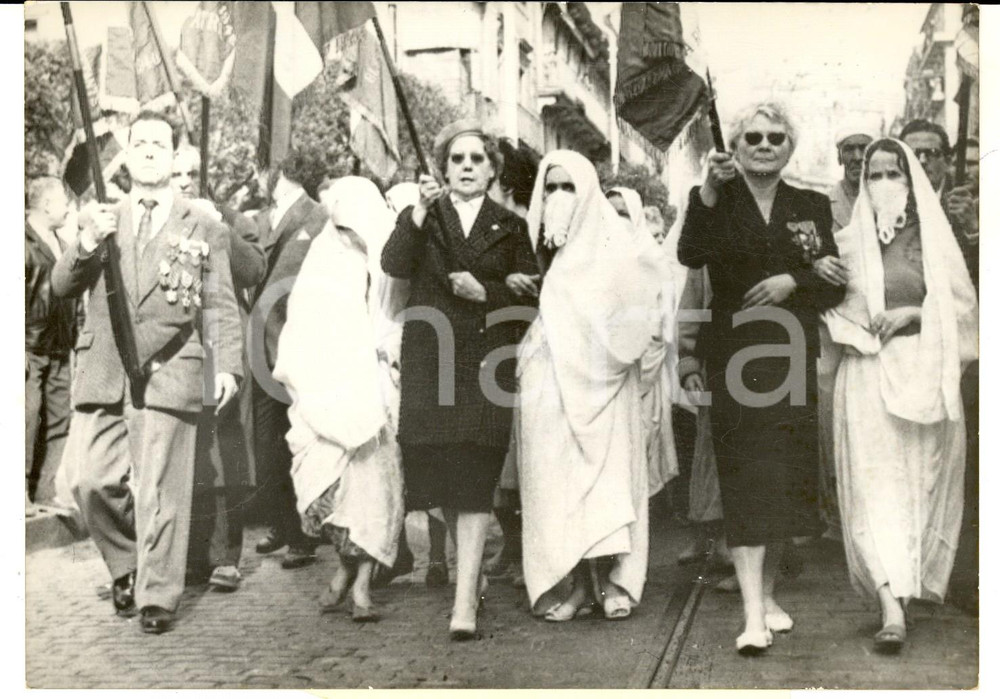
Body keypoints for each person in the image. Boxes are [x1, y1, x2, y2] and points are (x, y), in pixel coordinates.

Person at [52, 110, 243, 634]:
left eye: (162, 143)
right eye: (142, 143)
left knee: (160, 491)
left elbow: (220, 302)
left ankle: (157, 596)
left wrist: (226, 367)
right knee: (90, 479)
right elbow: (61, 287)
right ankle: (127, 565)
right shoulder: (103, 218)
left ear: (175, 155)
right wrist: (88, 243)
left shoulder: (202, 222)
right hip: (108, 369)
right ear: (128, 156)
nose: (152, 151)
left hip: (170, 367)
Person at [677, 103, 845, 654]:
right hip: (735, 359)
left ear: (790, 147)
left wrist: (793, 281)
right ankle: (752, 614)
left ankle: (768, 594)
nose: (765, 144)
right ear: (737, 145)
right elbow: (690, 254)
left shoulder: (811, 205)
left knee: (783, 485)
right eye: (753, 136)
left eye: (776, 137)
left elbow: (833, 287)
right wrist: (706, 190)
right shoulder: (713, 201)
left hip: (793, 357)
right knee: (745, 480)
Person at [381, 119, 538, 641]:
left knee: (474, 480)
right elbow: (394, 264)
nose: (467, 167)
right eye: (457, 159)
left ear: (493, 170)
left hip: (486, 365)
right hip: (432, 361)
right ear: (443, 168)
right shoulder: (425, 218)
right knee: (443, 475)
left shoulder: (512, 228)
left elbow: (532, 298)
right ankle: (467, 576)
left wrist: (486, 292)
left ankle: (465, 595)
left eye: (477, 159)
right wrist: (419, 214)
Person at [824, 139, 978, 653]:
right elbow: (828, 308)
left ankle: (907, 591)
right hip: (867, 375)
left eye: (895, 174)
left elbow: (963, 311)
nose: (885, 184)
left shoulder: (934, 241)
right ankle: (889, 606)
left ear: (911, 182)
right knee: (872, 490)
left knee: (917, 485)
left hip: (923, 372)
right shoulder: (845, 243)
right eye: (875, 175)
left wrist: (912, 315)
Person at [518, 150, 665, 623]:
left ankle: (611, 581)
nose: (559, 197)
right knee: (558, 484)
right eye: (551, 188)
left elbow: (639, 312)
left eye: (569, 187)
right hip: (551, 382)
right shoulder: (538, 250)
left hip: (606, 385)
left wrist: (605, 347)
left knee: (607, 483)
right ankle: (576, 584)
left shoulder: (617, 247)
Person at [274, 177, 406, 622]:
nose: (351, 236)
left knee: (373, 491)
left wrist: (387, 351)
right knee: (326, 493)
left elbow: (397, 318)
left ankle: (363, 585)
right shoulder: (322, 261)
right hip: (326, 391)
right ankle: (345, 572)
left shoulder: (388, 262)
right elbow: (303, 327)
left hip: (376, 392)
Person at [170, 145, 266, 592]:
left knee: (225, 451)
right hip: (175, 348)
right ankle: (188, 555)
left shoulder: (229, 217)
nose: (185, 180)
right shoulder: (159, 219)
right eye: (177, 173)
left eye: (193, 172)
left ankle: (226, 554)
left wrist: (221, 227)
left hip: (219, 345)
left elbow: (254, 271)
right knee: (184, 452)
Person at [247, 151, 328, 570]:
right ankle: (281, 521)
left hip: (298, 344)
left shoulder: (318, 217)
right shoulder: (259, 218)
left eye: (261, 170)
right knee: (268, 443)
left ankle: (303, 534)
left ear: (275, 173)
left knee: (299, 440)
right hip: (260, 345)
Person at [371, 180, 448, 591]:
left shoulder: (427, 247)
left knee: (428, 461)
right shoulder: (386, 248)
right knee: (393, 466)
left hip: (419, 359)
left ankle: (437, 556)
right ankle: (399, 551)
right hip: (388, 363)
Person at [813, 123, 876, 541]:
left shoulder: (888, 196)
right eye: (849, 149)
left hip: (874, 322)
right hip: (831, 319)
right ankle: (831, 509)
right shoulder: (822, 203)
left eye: (863, 149)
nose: (856, 157)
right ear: (839, 156)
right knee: (827, 413)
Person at [485, 138, 541, 589]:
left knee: (525, 458)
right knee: (499, 459)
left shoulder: (533, 226)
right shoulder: (486, 225)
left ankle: (529, 548)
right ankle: (511, 542)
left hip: (529, 341)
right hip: (493, 343)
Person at [606, 186, 680, 499]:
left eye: (623, 213)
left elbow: (661, 328)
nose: (616, 220)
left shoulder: (652, 261)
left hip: (640, 375)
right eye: (610, 212)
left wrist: (635, 376)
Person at [26, 177, 77, 511]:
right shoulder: (19, 240)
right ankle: (17, 493)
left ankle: (45, 491)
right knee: (26, 419)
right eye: (63, 201)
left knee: (59, 418)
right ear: (45, 204)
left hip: (59, 345)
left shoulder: (60, 241)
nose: (69, 207)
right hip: (29, 346)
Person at [899, 119, 978, 289]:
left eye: (932, 153)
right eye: (912, 154)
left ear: (948, 162)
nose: (921, 161)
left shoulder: (967, 203)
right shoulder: (889, 203)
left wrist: (973, 230)